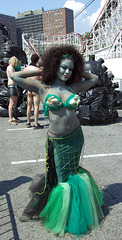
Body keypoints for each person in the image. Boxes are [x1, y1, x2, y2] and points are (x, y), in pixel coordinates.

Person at [10, 45, 104, 237]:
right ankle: (63, 216)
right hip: (58, 142)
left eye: (71, 68)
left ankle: (71, 214)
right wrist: (42, 69)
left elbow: (94, 79)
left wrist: (79, 70)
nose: (66, 72)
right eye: (63, 67)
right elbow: (15, 78)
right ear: (54, 66)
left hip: (76, 138)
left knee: (72, 174)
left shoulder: (73, 87)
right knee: (62, 179)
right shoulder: (42, 87)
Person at [24, 54, 44, 129]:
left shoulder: (26, 69)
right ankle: (36, 123)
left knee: (29, 106)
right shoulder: (37, 69)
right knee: (36, 106)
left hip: (28, 88)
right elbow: (41, 79)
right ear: (37, 60)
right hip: (35, 89)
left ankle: (28, 122)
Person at [6, 56, 19, 124]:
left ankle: (14, 117)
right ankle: (10, 118)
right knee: (11, 103)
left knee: (15, 102)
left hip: (14, 86)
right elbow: (13, 76)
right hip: (11, 86)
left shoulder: (11, 68)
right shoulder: (10, 68)